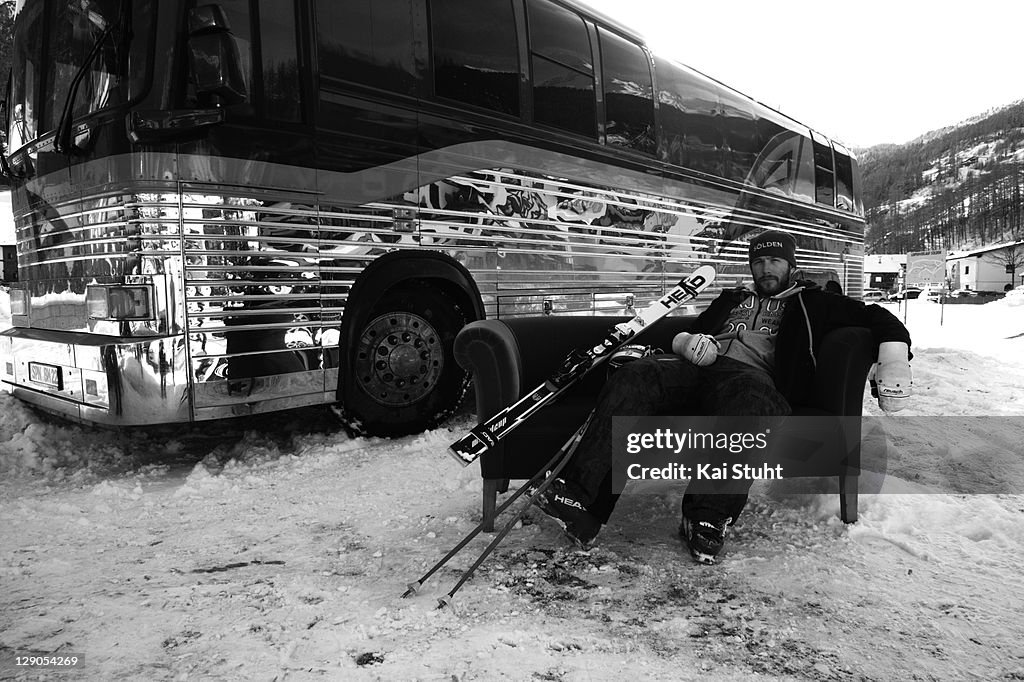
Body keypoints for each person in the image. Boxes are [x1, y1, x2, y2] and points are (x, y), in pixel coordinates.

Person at [535, 230, 913, 564]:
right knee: (638, 375)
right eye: (759, 261)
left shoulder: (814, 302)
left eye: (775, 261)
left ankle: (707, 515)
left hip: (751, 378)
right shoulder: (730, 298)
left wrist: (894, 358)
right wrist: (688, 342)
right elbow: (687, 331)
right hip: (698, 367)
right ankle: (579, 500)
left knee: (756, 406)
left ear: (790, 264)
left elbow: (878, 317)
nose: (766, 268)